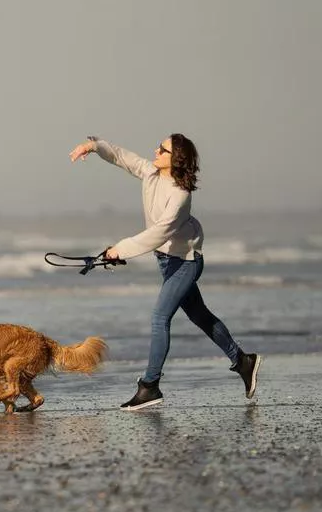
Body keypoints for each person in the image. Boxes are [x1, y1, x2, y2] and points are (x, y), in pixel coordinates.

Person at [69, 134, 261, 411]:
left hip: (186, 261)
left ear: (176, 158)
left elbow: (160, 233)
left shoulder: (181, 196)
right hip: (167, 261)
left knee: (160, 318)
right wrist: (94, 146)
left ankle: (150, 386)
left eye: (163, 149)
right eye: (158, 147)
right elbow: (122, 156)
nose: (155, 151)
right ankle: (243, 362)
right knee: (200, 315)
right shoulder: (150, 173)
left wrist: (119, 250)